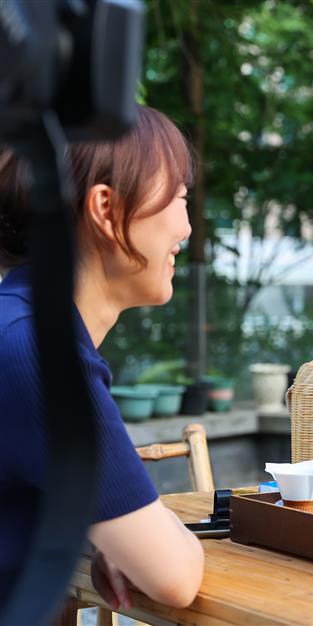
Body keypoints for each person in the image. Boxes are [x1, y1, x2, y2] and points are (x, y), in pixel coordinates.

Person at [0, 106, 205, 610]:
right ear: (106, 208)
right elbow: (174, 577)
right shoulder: (38, 356)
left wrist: (106, 532)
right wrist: (153, 533)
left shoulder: (22, 326)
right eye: (179, 197)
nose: (186, 227)